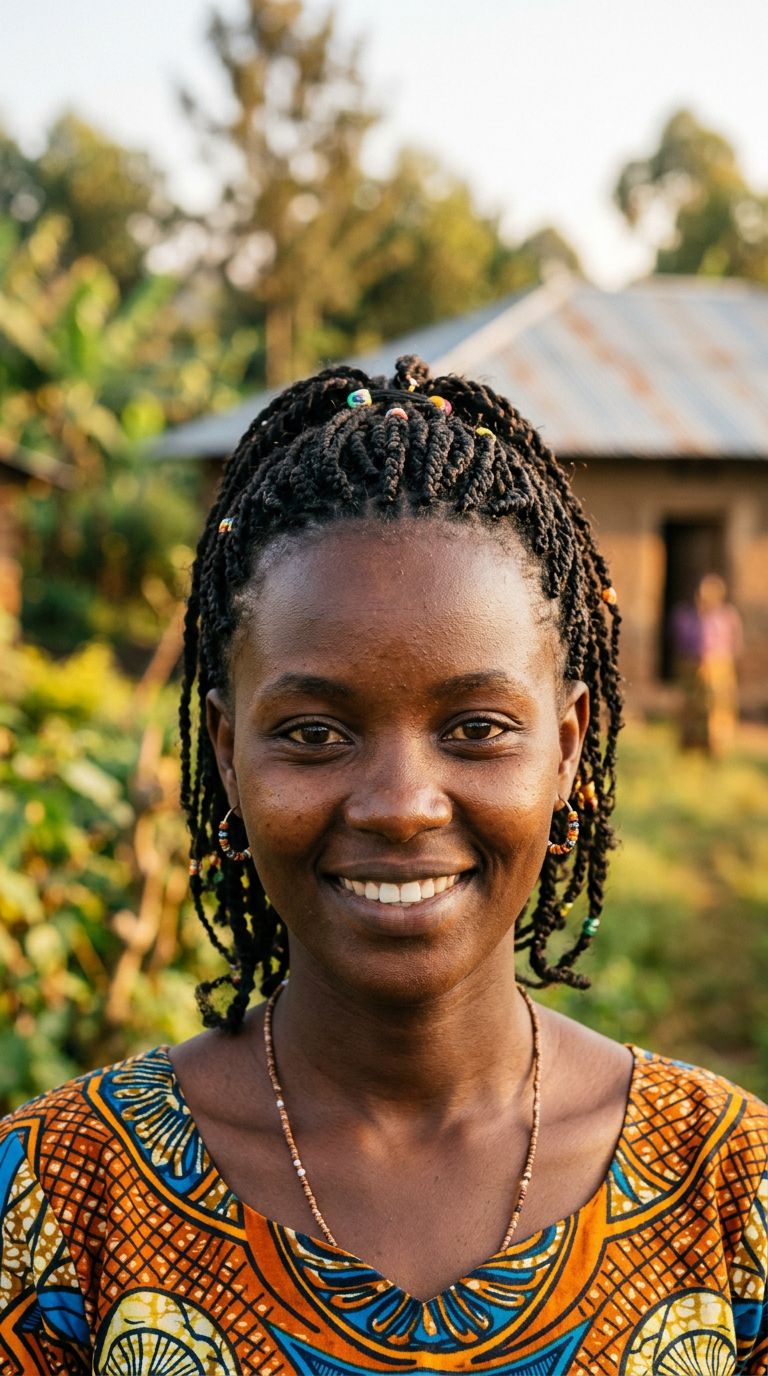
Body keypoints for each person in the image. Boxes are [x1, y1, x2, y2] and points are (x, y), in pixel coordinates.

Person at [1, 357, 766, 1375]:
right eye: (314, 731)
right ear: (226, 752)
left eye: (478, 726)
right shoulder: (57, 1203)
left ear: (569, 747)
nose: (402, 803)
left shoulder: (732, 1193)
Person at [670, 572, 743, 756]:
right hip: (691, 667)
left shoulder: (727, 617)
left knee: (717, 706)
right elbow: (678, 641)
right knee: (692, 706)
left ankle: (716, 747)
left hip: (719, 667)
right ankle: (691, 745)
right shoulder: (685, 616)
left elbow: (735, 643)